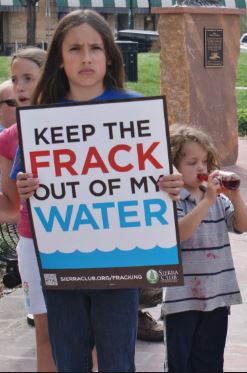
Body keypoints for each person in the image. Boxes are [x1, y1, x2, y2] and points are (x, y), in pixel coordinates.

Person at [13, 10, 183, 372]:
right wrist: (24, 185)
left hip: (121, 267)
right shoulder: (43, 116)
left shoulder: (134, 108)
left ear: (109, 56)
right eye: (75, 48)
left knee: (119, 362)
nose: (86, 57)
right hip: (61, 263)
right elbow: (21, 180)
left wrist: (170, 182)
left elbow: (158, 173)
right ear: (59, 58)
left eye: (95, 48)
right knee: (69, 360)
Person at [163, 124, 247, 372]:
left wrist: (234, 197)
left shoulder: (218, 199)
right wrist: (206, 202)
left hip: (217, 296)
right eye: (192, 162)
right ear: (173, 166)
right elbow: (180, 232)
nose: (201, 168)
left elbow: (244, 226)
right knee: (180, 363)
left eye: (204, 161)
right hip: (181, 299)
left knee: (210, 360)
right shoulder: (173, 199)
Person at [0, 47, 57, 372]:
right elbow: (9, 208)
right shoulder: (8, 139)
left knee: (89, 335)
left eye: (28, 78)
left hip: (80, 241)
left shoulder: (78, 126)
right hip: (32, 245)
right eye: (14, 79)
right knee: (45, 336)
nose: (19, 87)